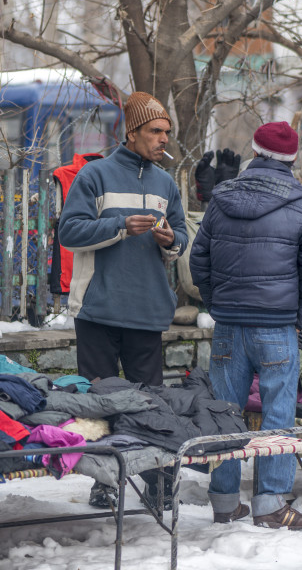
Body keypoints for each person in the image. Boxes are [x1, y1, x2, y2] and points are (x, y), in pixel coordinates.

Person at [190, 121, 302, 530]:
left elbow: (200, 259)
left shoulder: (221, 197)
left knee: (225, 413)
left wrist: (219, 305)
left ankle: (225, 502)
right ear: (293, 158)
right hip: (276, 326)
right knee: (278, 415)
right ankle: (269, 505)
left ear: (254, 150)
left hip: (230, 325)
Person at [58, 91, 188, 507]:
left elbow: (182, 237)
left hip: (148, 310)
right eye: (155, 131)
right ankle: (104, 483)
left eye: (167, 131)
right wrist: (118, 225)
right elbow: (69, 232)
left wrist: (171, 240)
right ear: (131, 133)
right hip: (97, 309)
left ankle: (157, 482)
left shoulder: (166, 182)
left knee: (151, 403)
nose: (163, 138)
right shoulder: (93, 176)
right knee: (98, 404)